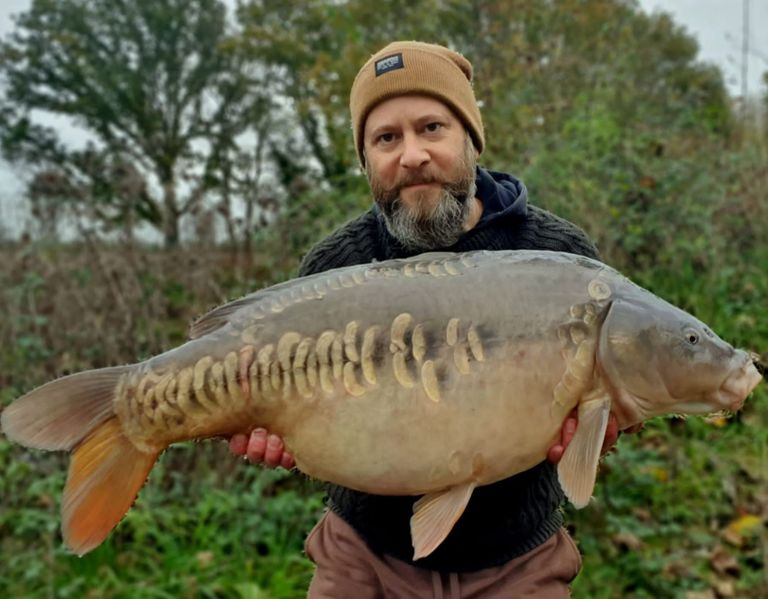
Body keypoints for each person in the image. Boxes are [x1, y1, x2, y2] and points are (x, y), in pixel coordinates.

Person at [229, 41, 626, 598]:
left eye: (432, 127)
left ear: (470, 138)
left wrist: (600, 427)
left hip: (519, 557)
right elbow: (307, 419)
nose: (411, 154)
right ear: (366, 159)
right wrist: (274, 431)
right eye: (386, 138)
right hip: (363, 552)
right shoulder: (333, 266)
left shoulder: (558, 257)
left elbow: (604, 406)